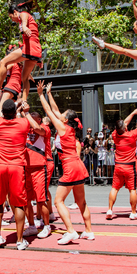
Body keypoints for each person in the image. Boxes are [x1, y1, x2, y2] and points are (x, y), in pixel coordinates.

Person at [37, 81, 93, 245]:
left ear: (66, 119)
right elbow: (55, 110)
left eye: (64, 114)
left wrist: (40, 94)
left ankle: (70, 231)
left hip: (70, 166)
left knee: (57, 201)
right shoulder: (70, 128)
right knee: (81, 202)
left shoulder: (62, 128)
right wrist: (49, 94)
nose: (60, 114)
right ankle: (88, 231)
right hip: (78, 165)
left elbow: (49, 110)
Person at [92, 0, 137, 107]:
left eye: (134, 25)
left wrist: (133, 3)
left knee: (124, 51)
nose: (133, 27)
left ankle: (104, 44)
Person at [0, 99, 30, 250]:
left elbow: (0, 112)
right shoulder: (23, 123)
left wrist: (14, 107)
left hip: (0, 166)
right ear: (14, 112)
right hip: (17, 166)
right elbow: (24, 118)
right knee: (19, 203)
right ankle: (20, 240)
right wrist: (20, 108)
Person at [0, 3, 42, 102]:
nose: (12, 19)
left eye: (11, 17)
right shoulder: (25, 19)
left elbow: (24, 17)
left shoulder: (23, 14)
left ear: (15, 12)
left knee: (3, 62)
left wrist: (24, 26)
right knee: (25, 78)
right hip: (36, 49)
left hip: (29, 47)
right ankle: (24, 100)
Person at [106, 110, 137, 220]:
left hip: (118, 166)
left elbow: (124, 123)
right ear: (125, 128)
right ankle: (133, 212)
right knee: (132, 189)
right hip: (129, 166)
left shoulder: (115, 135)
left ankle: (110, 209)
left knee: (114, 188)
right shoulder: (131, 135)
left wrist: (133, 113)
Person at [21, 107, 52, 239]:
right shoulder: (25, 130)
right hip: (26, 168)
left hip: (39, 167)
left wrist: (27, 114)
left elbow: (38, 129)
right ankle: (32, 226)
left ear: (39, 120)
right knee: (26, 200)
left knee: (41, 200)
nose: (30, 122)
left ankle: (46, 226)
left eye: (33, 120)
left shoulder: (45, 128)